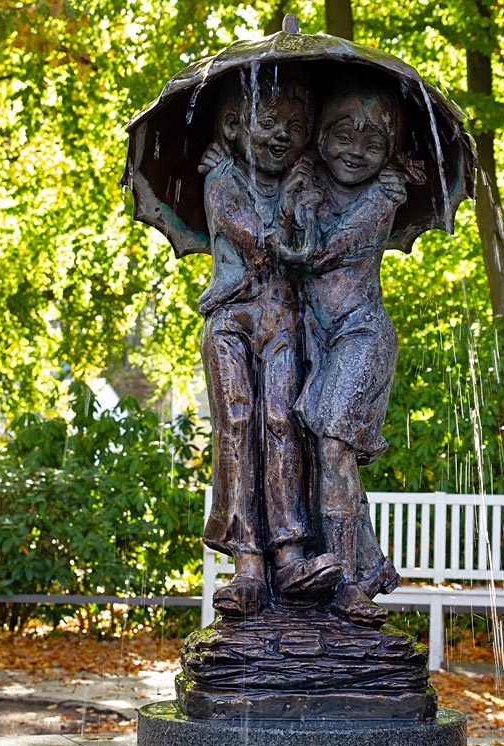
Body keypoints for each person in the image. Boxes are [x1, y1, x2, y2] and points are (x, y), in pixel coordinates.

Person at [278, 82, 426, 626]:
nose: (356, 150)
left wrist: (308, 209)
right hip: (316, 340)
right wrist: (297, 195)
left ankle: (342, 580)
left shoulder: (383, 197)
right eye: (342, 134)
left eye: (374, 143)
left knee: (335, 448)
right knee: (320, 455)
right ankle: (361, 569)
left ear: (390, 154)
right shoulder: (308, 180)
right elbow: (288, 241)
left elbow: (320, 254)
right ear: (320, 136)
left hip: (361, 335)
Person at [199, 67, 343, 618]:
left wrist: (305, 197)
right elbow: (258, 243)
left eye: (297, 126)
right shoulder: (222, 180)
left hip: (282, 319)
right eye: (269, 121)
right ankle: (247, 564)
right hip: (230, 318)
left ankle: (289, 554)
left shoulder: (302, 183)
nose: (282, 134)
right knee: (237, 423)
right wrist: (288, 226)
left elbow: (308, 240)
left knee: (283, 422)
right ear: (235, 126)